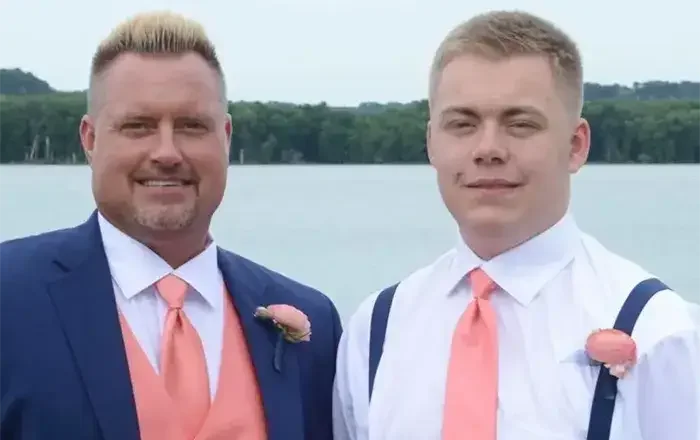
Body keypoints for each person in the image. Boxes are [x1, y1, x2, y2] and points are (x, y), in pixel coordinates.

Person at [332, 10, 700, 440]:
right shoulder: (375, 328)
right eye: (462, 124)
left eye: (520, 124)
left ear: (575, 145)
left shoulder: (661, 333)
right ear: (431, 142)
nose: (488, 149)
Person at [0, 11, 342, 440]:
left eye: (191, 126)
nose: (166, 152)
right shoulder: (9, 294)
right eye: (138, 126)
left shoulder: (314, 323)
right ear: (90, 139)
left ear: (226, 137)